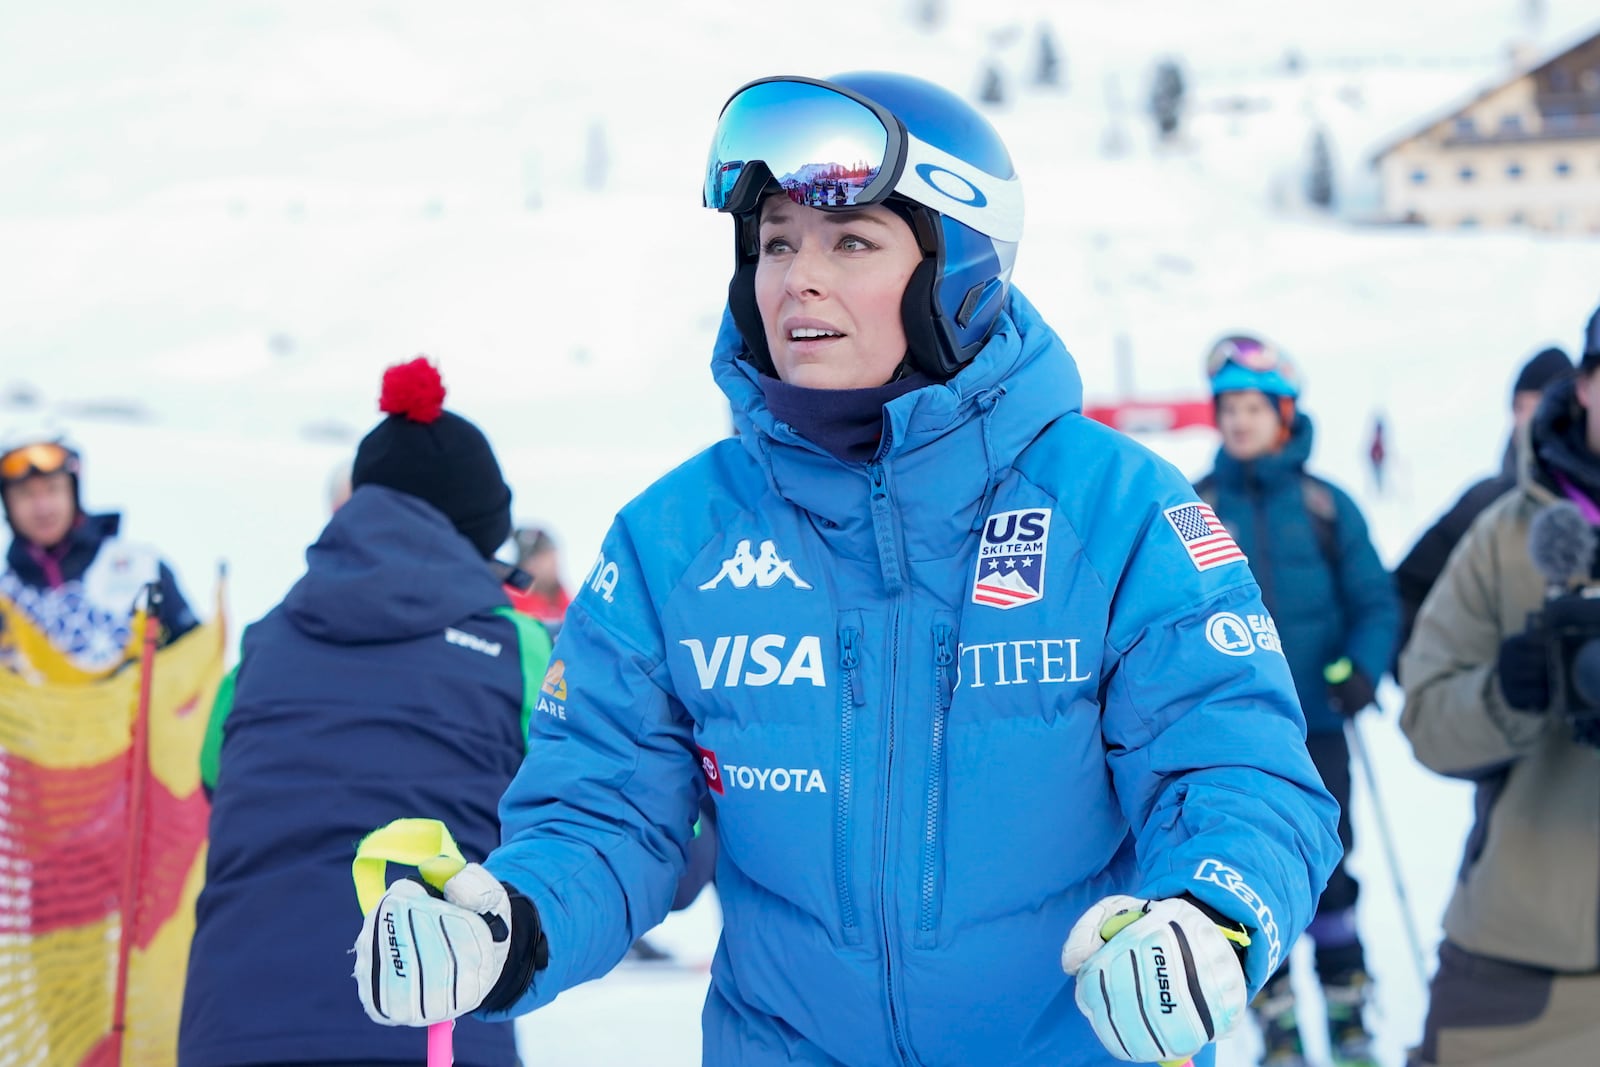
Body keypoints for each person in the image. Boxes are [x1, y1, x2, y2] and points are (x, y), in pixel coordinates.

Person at [352, 73, 1341, 1067]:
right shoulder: (672, 540)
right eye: (776, 241)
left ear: (958, 271)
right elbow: (607, 812)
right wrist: (508, 922)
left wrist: (1208, 911)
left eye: (851, 241)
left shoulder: (1117, 509)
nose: (797, 278)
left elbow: (1236, 771)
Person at [181, 358, 550, 1067]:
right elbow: (589, 802)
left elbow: (210, 779)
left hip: (233, 1025)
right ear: (482, 531)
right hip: (431, 1021)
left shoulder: (264, 642)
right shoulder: (519, 648)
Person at [1399, 304, 1600, 1067]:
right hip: (1523, 953)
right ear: (1585, 384)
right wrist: (1509, 694)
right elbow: (1426, 717)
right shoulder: (1505, 535)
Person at [1194, 335, 1399, 1067]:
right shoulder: (1198, 506)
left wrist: (1365, 668)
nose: (1239, 421)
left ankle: (1347, 1012)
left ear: (1284, 414)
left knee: (1332, 869)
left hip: (1319, 722)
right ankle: (1275, 1018)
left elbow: (1375, 599)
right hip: (1237, 736)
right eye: (1229, 407)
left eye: (1254, 407)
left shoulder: (1324, 504)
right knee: (1252, 870)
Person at [1393, 345, 1573, 659]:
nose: (1527, 419)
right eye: (1519, 407)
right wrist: (1423, 669)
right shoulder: (1484, 502)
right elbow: (1405, 587)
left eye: (1540, 404)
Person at [1, 433, 197, 680]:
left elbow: (195, 657)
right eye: (26, 494)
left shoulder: (141, 570)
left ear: (73, 492)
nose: (43, 507)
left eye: (53, 489)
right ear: (8, 505)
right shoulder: (5, 598)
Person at [505, 524, 571, 628]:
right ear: (528, 564)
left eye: (553, 557)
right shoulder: (510, 606)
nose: (554, 564)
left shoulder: (569, 606)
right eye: (545, 558)